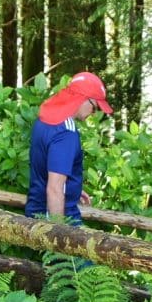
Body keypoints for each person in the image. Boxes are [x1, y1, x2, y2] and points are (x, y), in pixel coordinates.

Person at [25, 72, 113, 225]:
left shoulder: (44, 118)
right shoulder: (66, 132)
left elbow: (47, 169)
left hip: (34, 212)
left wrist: (72, 189)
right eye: (94, 108)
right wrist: (58, 233)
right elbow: (54, 189)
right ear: (83, 99)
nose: (93, 114)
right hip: (60, 219)